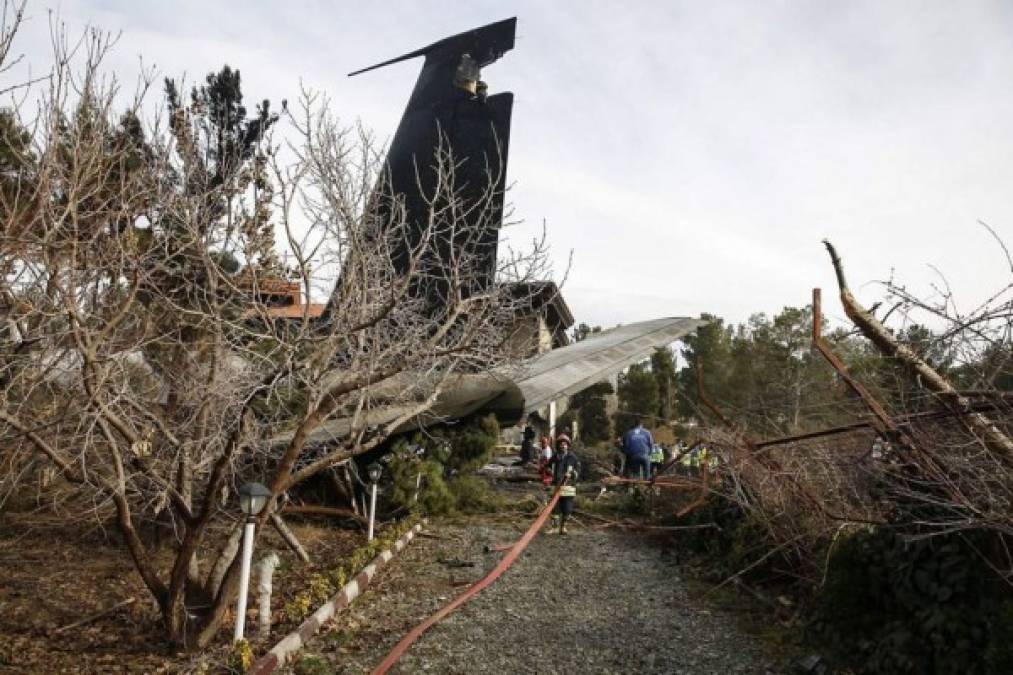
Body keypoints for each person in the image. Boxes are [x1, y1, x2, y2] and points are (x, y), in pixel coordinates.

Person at [548, 437, 580, 535]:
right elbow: (548, 467)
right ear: (558, 445)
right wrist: (549, 472)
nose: (562, 446)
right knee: (555, 508)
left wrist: (572, 474)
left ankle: (563, 527)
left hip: (568, 487)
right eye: (561, 444)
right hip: (556, 485)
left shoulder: (572, 457)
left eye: (565, 444)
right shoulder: (555, 456)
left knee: (567, 508)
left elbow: (578, 470)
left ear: (568, 445)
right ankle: (554, 527)